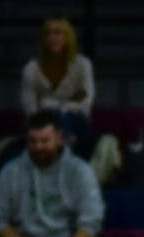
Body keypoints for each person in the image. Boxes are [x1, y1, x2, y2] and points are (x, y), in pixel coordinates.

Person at [21, 17, 96, 157]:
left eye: (58, 33)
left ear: (68, 37)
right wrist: (65, 104)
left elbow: (86, 102)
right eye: (48, 33)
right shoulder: (31, 69)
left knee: (67, 119)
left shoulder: (83, 65)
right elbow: (30, 109)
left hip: (76, 121)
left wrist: (55, 105)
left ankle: (67, 160)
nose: (52, 37)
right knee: (52, 119)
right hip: (41, 122)